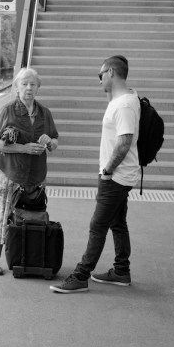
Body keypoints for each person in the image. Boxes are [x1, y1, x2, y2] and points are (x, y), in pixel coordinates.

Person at [50, 55, 140, 293]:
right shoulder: (125, 98)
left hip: (116, 177)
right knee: (118, 223)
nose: (98, 80)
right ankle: (121, 271)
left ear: (111, 72)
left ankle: (81, 276)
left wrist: (107, 171)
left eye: (100, 75)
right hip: (121, 175)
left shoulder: (123, 105)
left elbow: (124, 143)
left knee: (97, 225)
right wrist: (109, 92)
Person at [0, 68, 59, 275]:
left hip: (34, 176)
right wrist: (23, 148)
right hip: (8, 172)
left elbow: (55, 141)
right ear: (16, 87)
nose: (28, 88)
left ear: (38, 88)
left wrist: (50, 142)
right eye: (24, 84)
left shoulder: (44, 113)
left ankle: (24, 257)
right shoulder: (7, 111)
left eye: (33, 84)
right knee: (1, 213)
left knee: (29, 216)